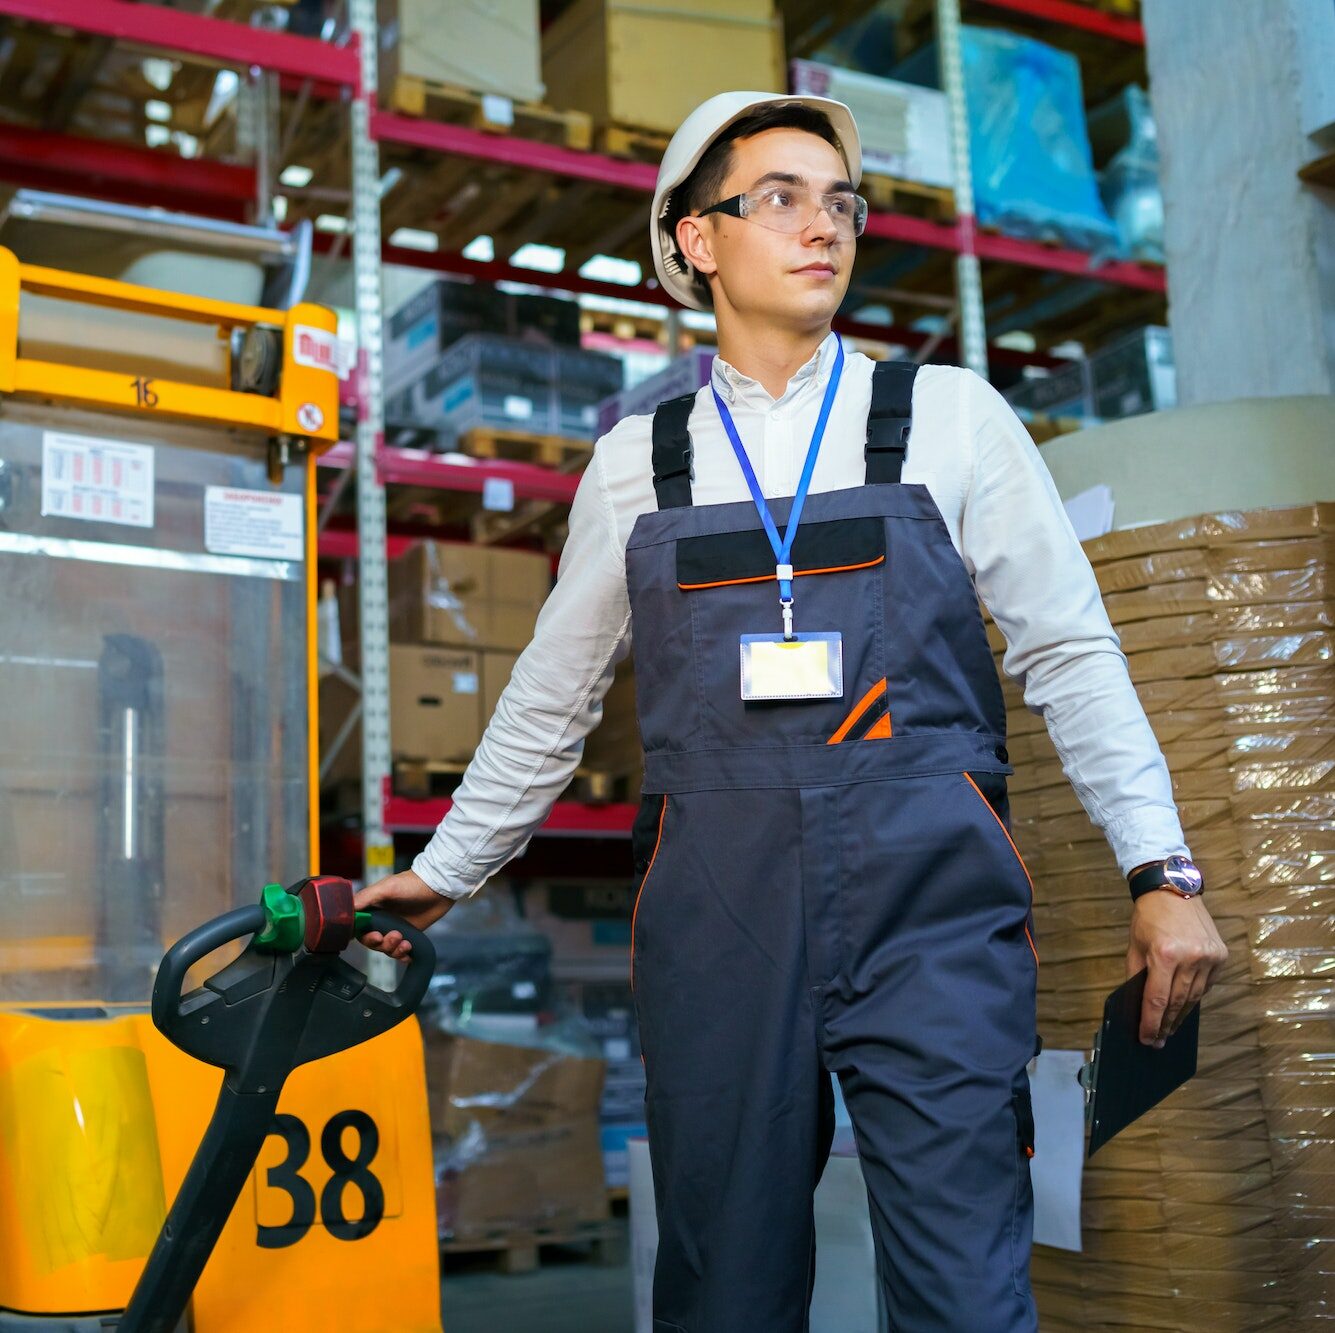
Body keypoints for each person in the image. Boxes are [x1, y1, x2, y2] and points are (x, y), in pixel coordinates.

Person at [355, 92, 1229, 1331]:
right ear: (695, 242)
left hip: (931, 916)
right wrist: (446, 870)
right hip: (722, 922)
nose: (822, 226)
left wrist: (1163, 865)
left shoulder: (946, 419)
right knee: (726, 1289)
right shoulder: (640, 461)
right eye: (778, 197)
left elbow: (1071, 654)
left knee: (969, 1293)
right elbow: (551, 698)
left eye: (841, 203)